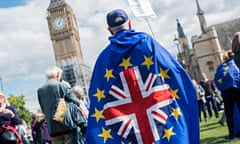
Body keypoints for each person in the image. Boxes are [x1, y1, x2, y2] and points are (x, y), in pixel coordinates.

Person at [85, 9, 199, 144]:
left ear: (109, 30)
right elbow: (175, 72)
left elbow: (97, 99)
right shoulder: (149, 44)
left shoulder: (103, 60)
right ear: (130, 24)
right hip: (160, 125)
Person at [37, 66, 81, 144]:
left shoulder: (40, 90)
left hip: (52, 127)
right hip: (66, 124)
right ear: (57, 75)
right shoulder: (62, 85)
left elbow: (43, 108)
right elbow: (75, 101)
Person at [214, 51, 240, 141]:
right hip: (237, 89)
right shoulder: (235, 64)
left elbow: (216, 79)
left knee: (229, 114)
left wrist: (222, 88)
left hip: (226, 92)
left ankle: (231, 135)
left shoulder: (221, 67)